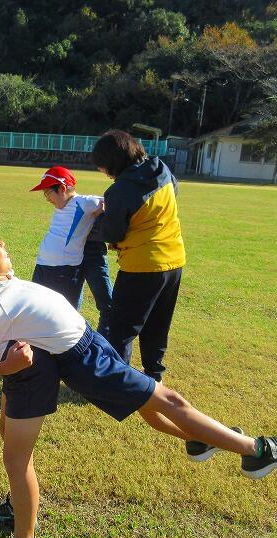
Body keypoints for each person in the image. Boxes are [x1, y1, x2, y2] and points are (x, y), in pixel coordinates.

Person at [0, 209, 277, 538]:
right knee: (165, 402)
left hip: (89, 346)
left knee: (153, 408)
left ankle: (216, 442)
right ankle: (257, 451)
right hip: (86, 362)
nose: (2, 243)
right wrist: (4, 367)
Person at [91, 130, 185, 382]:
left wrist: (100, 217)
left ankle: (117, 381)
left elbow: (113, 232)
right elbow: (172, 194)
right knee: (158, 323)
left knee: (122, 327)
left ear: (111, 161)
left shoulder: (120, 190)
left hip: (142, 266)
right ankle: (154, 374)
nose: (102, 170)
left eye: (102, 165)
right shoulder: (161, 169)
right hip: (174, 260)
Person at [29, 166, 112, 336]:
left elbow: (114, 202)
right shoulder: (62, 205)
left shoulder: (85, 202)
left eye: (48, 193)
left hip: (64, 270)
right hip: (43, 265)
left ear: (62, 188)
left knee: (65, 316)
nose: (47, 199)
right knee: (38, 309)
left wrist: (100, 214)